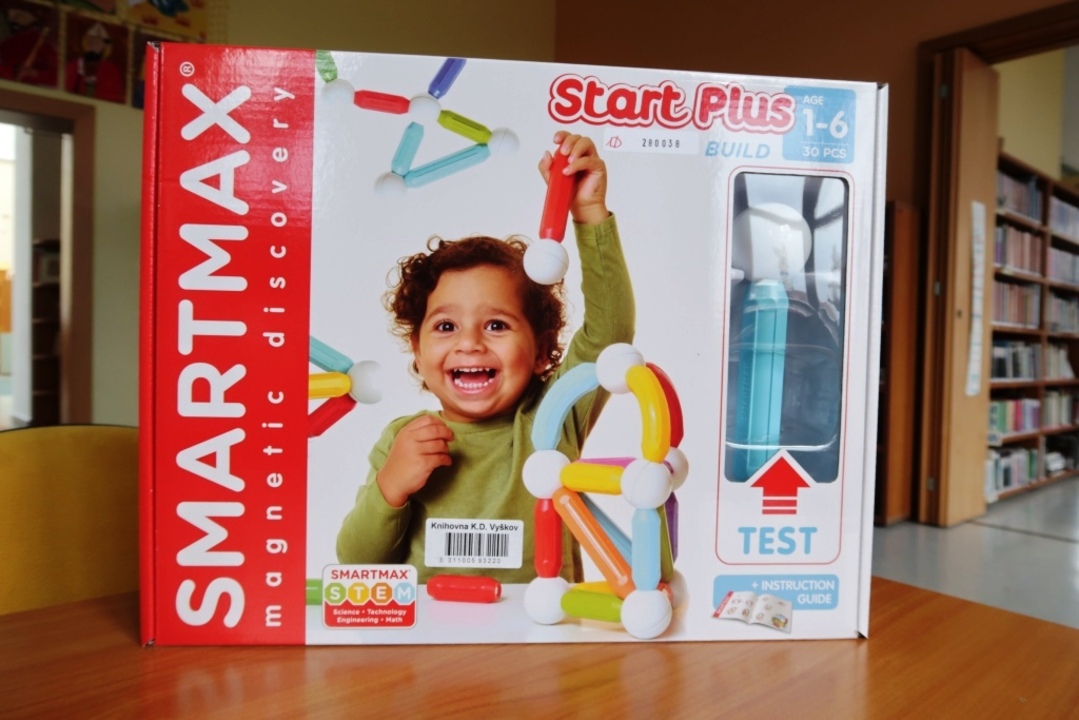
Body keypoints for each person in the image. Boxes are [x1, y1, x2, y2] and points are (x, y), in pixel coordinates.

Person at [336, 131, 635, 584]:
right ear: (417, 351)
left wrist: (588, 213)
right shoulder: (402, 438)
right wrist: (391, 486)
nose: (470, 343)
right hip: (432, 628)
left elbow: (611, 337)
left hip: (541, 623)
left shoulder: (554, 417)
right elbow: (356, 564)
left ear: (541, 351)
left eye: (496, 325)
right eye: (446, 327)